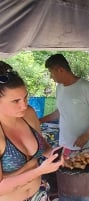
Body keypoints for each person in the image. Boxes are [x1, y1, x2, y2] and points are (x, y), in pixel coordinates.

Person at [0, 61, 63, 201]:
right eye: (15, 101)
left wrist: (53, 154)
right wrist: (39, 170)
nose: (24, 105)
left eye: (25, 97)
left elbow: (42, 144)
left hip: (39, 194)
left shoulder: (28, 114)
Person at [39, 54, 89, 151]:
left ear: (61, 70)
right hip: (65, 145)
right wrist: (40, 120)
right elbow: (61, 111)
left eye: (51, 72)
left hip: (88, 145)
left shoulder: (86, 87)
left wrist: (87, 135)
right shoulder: (59, 88)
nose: (51, 77)